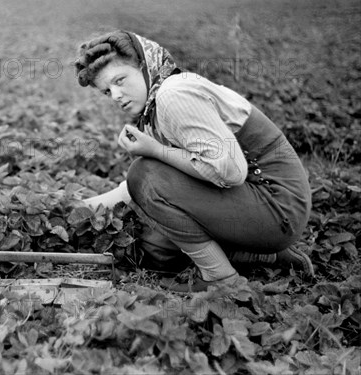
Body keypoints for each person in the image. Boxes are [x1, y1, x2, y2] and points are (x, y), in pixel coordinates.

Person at [73, 30, 314, 293]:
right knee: (155, 244)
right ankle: (266, 256)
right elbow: (143, 188)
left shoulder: (173, 95)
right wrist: (78, 209)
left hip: (277, 206)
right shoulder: (157, 100)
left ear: (143, 65)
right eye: (107, 91)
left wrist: (156, 151)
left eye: (120, 80)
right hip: (259, 201)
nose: (116, 95)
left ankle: (220, 278)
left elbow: (230, 171)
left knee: (144, 174)